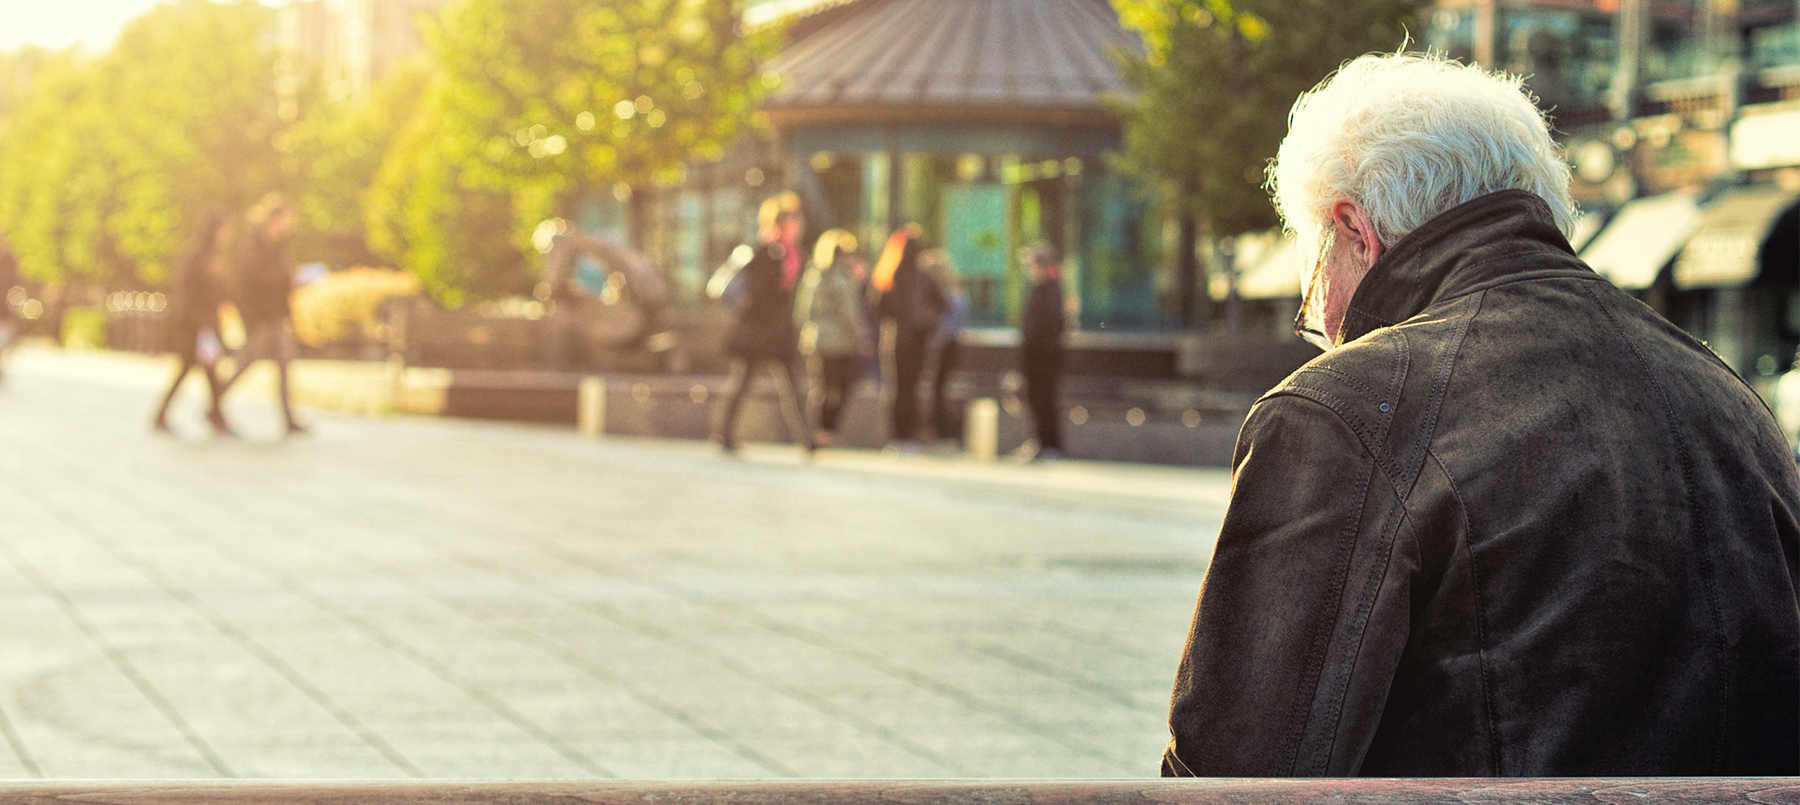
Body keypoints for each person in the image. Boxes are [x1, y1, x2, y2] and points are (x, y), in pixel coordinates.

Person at [1162, 53, 1800, 778]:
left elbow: (1236, 773)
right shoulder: (1729, 399)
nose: (1324, 322)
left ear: (1355, 230)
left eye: (1314, 281)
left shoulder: (1346, 411)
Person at [713, 192, 814, 455]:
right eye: (794, 219)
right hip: (761, 331)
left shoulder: (791, 252)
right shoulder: (768, 251)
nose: (799, 224)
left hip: (778, 330)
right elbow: (759, 292)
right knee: (745, 382)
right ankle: (723, 433)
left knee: (793, 384)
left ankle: (807, 438)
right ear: (784, 222)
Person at [219, 193, 306, 435]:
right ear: (271, 219)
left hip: (275, 317)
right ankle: (215, 403)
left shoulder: (275, 246)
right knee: (245, 363)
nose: (285, 227)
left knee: (284, 364)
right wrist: (287, 277)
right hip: (259, 317)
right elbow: (252, 282)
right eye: (283, 221)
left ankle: (288, 419)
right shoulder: (254, 244)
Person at [151, 210, 234, 435]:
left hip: (206, 324)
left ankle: (215, 416)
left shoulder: (214, 256)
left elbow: (218, 292)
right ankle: (214, 417)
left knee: (207, 370)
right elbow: (188, 293)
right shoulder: (197, 256)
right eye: (224, 229)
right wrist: (202, 323)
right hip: (194, 325)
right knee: (192, 368)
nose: (228, 234)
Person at [869, 226, 945, 449]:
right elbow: (943, 305)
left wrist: (894, 320)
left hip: (895, 338)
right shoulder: (922, 276)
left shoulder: (889, 273)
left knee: (897, 387)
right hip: (916, 339)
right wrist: (926, 321)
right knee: (910, 387)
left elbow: (875, 307)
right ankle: (907, 437)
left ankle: (897, 436)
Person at [796, 229, 867, 447]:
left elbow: (801, 312)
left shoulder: (812, 276)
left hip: (815, 339)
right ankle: (828, 431)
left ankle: (817, 432)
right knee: (842, 387)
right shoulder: (840, 278)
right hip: (840, 341)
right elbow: (850, 313)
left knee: (822, 387)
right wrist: (861, 335)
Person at [1019, 242, 1065, 461]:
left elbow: (1049, 326)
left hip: (1044, 356)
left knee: (1043, 398)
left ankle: (1049, 444)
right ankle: (1041, 442)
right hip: (1036, 355)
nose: (1030, 270)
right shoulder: (1040, 289)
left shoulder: (1050, 290)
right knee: (1036, 398)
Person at [920, 249, 967, 444]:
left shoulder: (951, 296)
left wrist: (933, 344)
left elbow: (949, 326)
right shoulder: (954, 294)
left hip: (945, 347)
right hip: (948, 345)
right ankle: (939, 432)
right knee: (937, 389)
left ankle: (944, 433)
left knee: (940, 389)